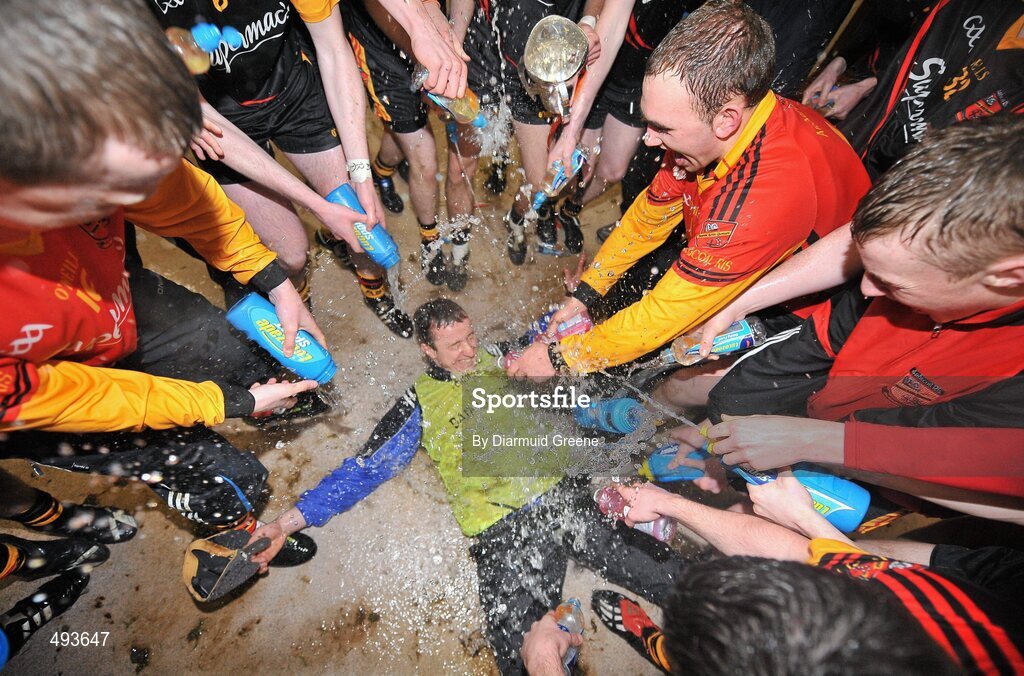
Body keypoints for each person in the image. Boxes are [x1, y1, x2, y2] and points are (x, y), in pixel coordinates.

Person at [0, 0, 318, 635]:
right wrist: (220, 405)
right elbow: (88, 397)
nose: (137, 202)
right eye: (114, 194)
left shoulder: (83, 113)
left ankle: (271, 399)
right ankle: (228, 537)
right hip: (48, 394)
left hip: (112, 291)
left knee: (227, 348)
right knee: (224, 471)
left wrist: (273, 280)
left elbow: (185, 201)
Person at [249, 298, 689, 674]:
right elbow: (365, 468)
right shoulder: (419, 401)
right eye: (454, 346)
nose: (468, 351)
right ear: (427, 350)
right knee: (518, 661)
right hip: (499, 532)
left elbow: (552, 333)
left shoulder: (502, 356)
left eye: (471, 338)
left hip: (562, 497)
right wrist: (286, 524)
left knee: (678, 579)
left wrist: (575, 302)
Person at [666, 115, 1024, 522]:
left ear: (1009, 277)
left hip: (896, 465)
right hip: (838, 378)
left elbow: (962, 464)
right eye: (865, 268)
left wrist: (812, 442)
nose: (867, 289)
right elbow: (862, 276)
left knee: (789, 516)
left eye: (892, 284)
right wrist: (736, 306)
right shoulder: (939, 235)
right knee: (730, 399)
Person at [508, 0, 870, 378]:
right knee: (638, 289)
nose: (647, 140)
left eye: (662, 129)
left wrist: (560, 359)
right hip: (734, 243)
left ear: (726, 120)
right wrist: (585, 294)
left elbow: (663, 316)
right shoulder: (704, 135)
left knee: (692, 381)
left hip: (804, 307)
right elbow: (647, 221)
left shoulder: (763, 197)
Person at [149, 0, 418, 337]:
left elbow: (334, 48)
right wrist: (318, 206)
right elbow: (203, 118)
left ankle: (374, 287)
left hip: (293, 87)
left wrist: (361, 172)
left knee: (360, 215)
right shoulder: (152, 11)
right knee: (291, 255)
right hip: (222, 118)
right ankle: (300, 304)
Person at [445, 0, 594, 265]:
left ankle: (515, 219)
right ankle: (459, 249)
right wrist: (453, 42)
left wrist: (589, 22)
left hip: (543, 61)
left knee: (541, 182)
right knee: (460, 168)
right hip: (480, 49)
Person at [545, 0, 694, 253]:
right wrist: (570, 133)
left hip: (642, 85)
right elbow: (611, 23)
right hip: (602, 71)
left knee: (612, 172)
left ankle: (571, 209)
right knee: (579, 166)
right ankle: (547, 207)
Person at [342, 0, 458, 290]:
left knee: (400, 137)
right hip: (381, 47)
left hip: (429, 39)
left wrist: (449, 36)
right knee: (424, 158)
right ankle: (429, 240)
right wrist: (424, 50)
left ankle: (382, 172)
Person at [838, 0, 1024, 179]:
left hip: (898, 179)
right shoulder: (985, 7)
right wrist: (858, 81)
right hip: (861, 126)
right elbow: (898, 33)